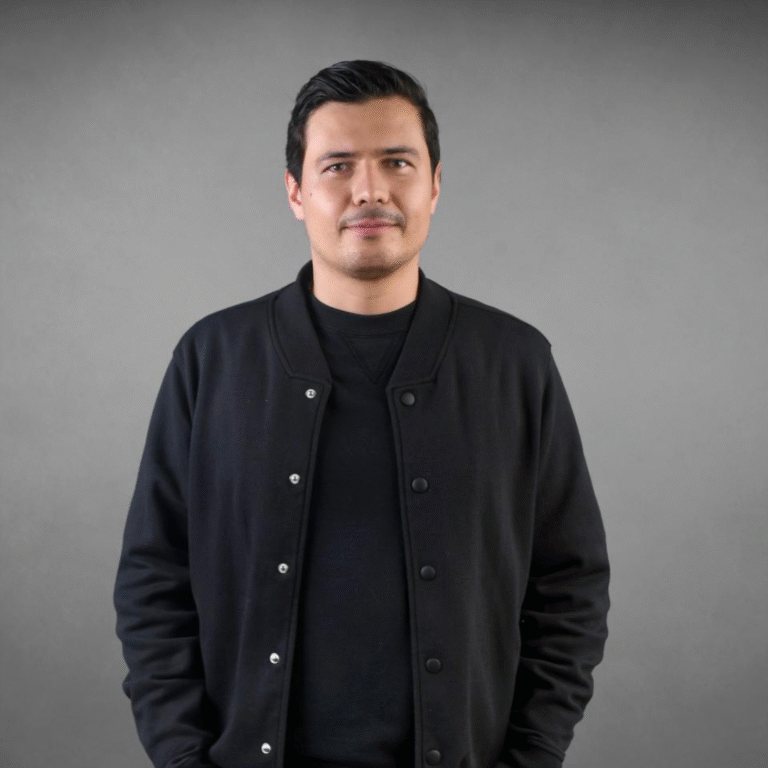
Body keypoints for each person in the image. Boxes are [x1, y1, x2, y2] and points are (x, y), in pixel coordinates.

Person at [113, 60, 610, 768]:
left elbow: (570, 585)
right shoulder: (212, 359)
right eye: (337, 165)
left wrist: (530, 756)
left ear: (435, 184)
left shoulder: (514, 363)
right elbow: (152, 579)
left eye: (397, 162)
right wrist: (182, 755)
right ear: (295, 191)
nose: (369, 189)